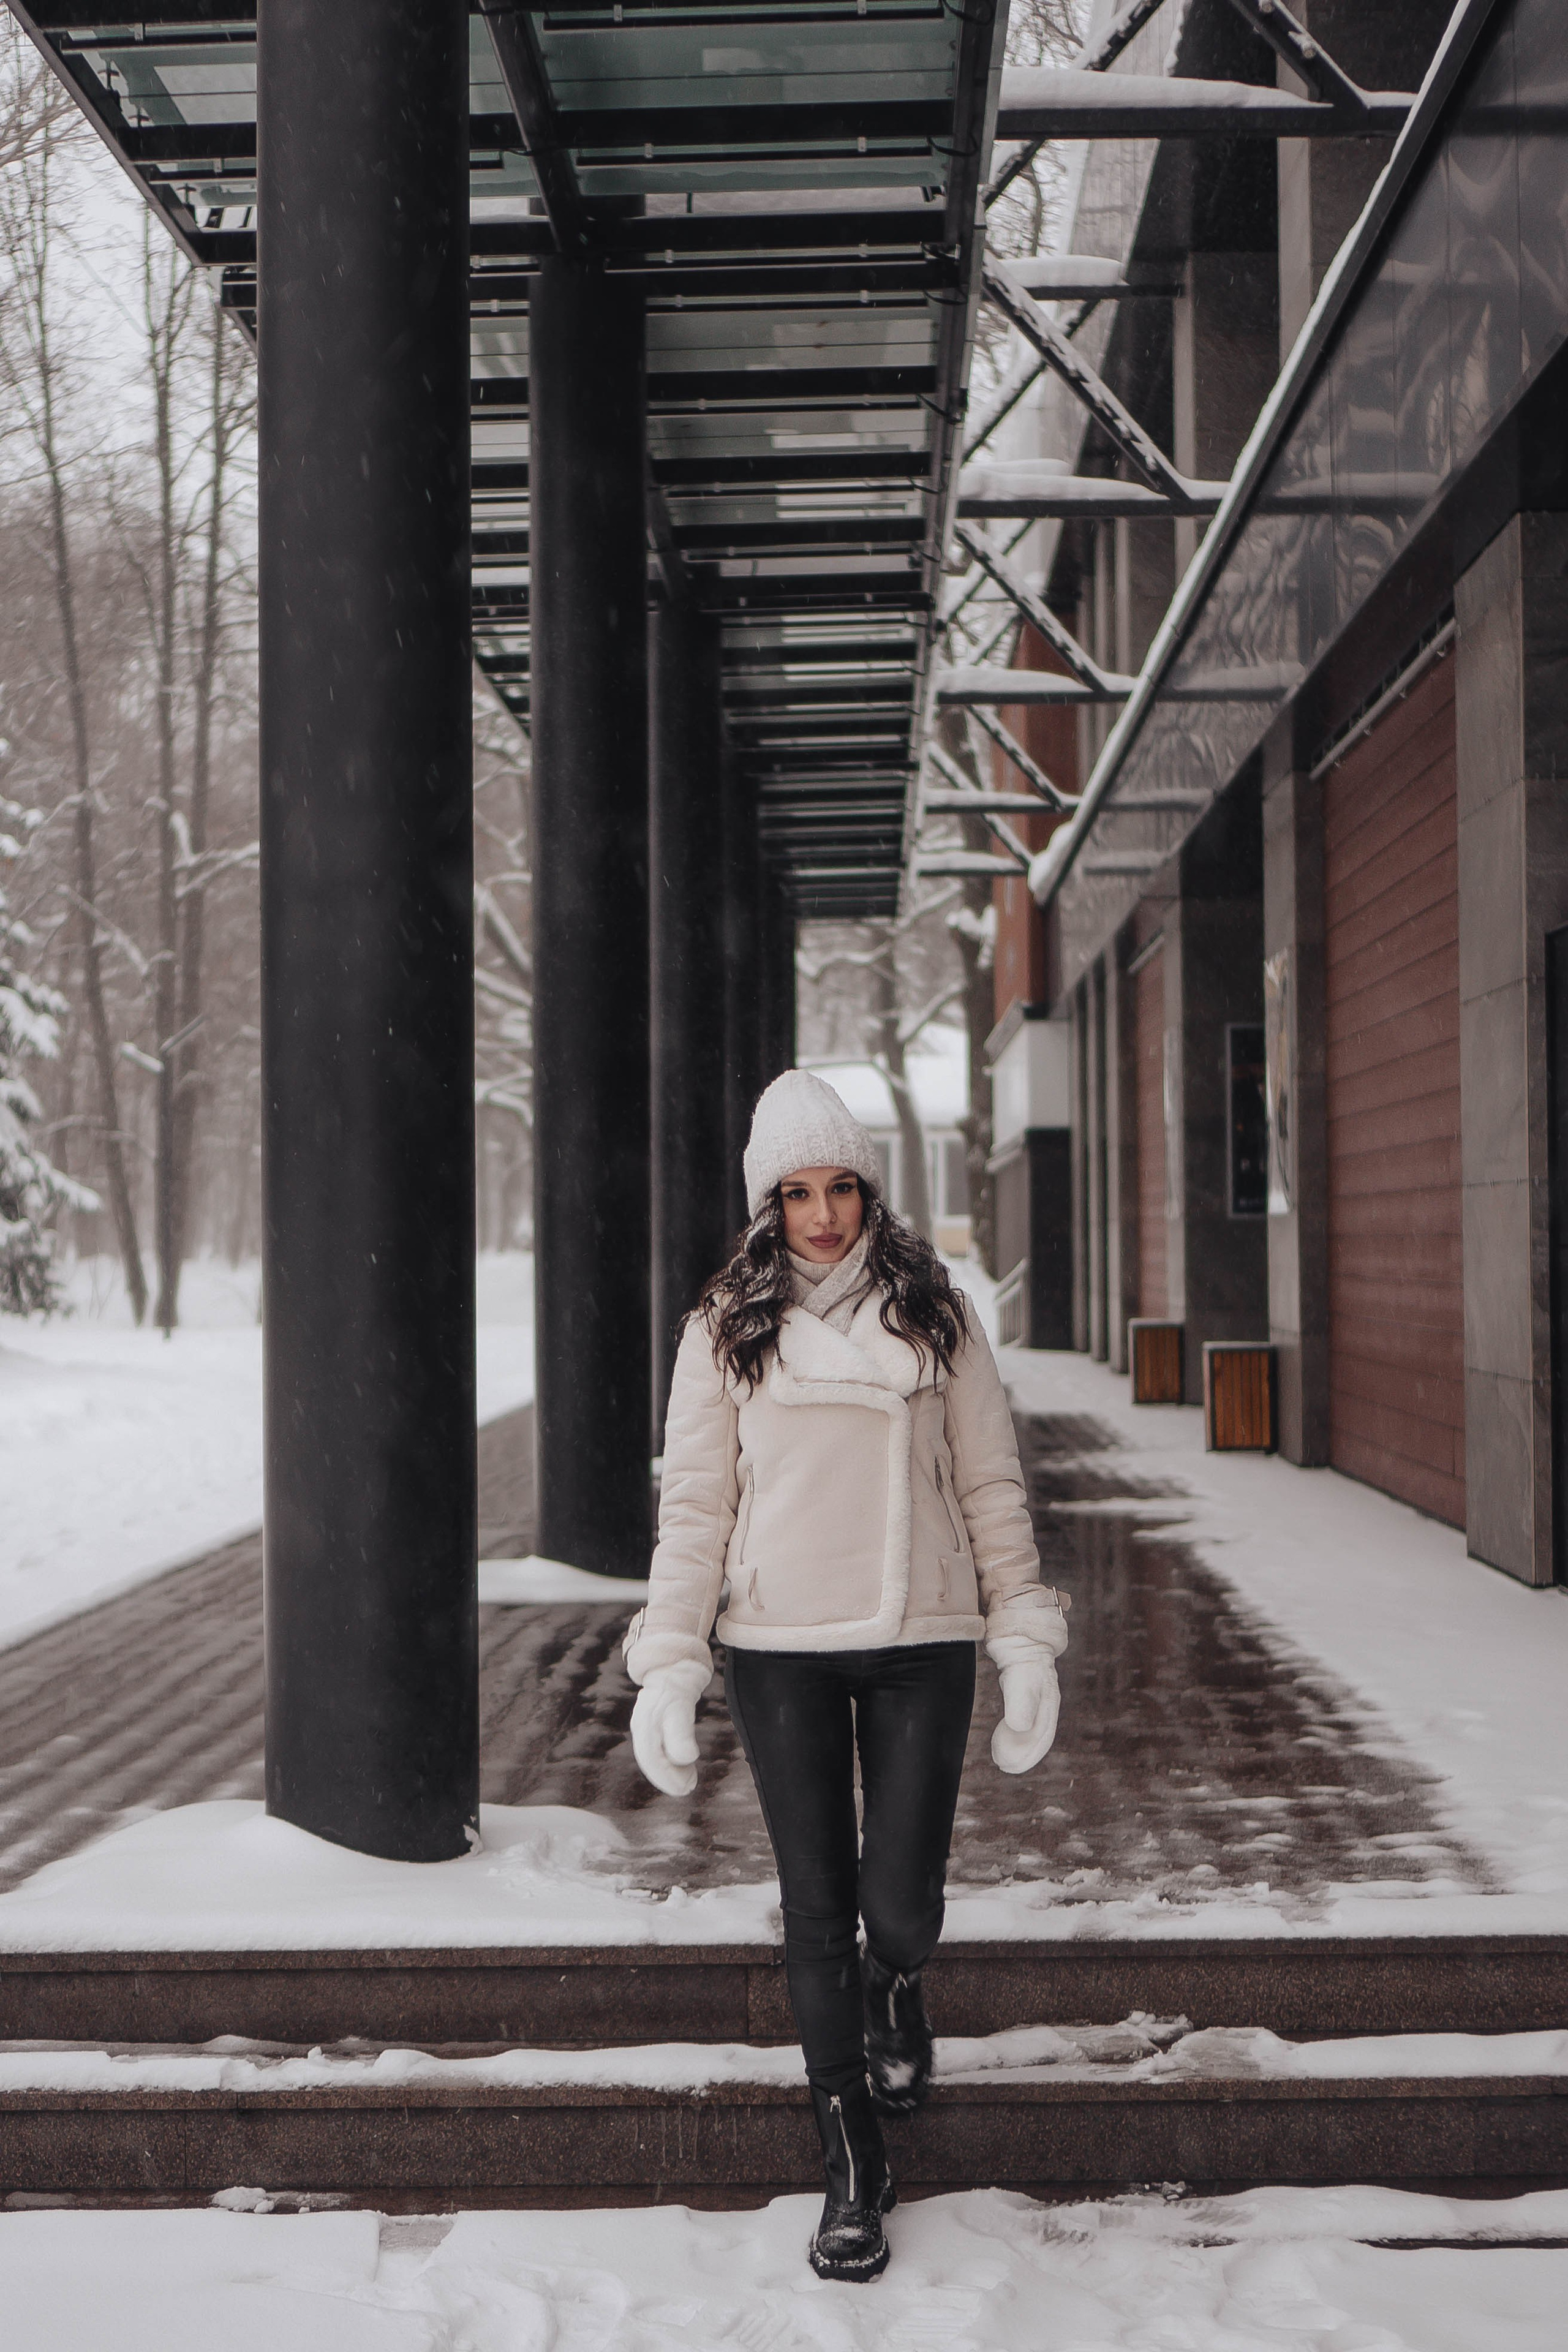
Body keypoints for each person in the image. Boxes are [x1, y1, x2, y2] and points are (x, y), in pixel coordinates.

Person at [622, 1069, 1068, 2283]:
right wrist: (669, 1660)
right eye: (797, 1192)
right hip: (778, 1651)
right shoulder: (723, 1325)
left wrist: (1020, 1635)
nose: (821, 1215)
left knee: (901, 1901)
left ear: (869, 1186)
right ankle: (851, 2163)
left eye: (839, 1187)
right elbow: (695, 1507)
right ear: (769, 1203)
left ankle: (897, 1979)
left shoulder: (937, 1312)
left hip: (923, 1637)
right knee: (814, 1909)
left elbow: (988, 1484)